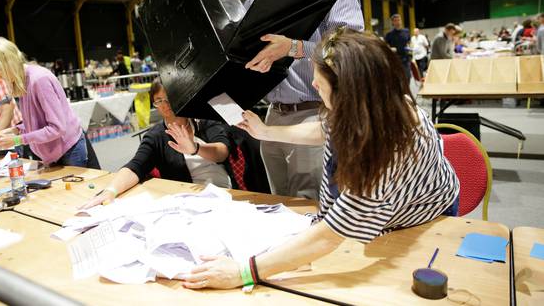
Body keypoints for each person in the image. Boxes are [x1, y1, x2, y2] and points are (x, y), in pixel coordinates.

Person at [180, 28, 459, 290]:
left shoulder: (388, 148)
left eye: (319, 81)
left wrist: (243, 272)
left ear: (348, 94)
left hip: (421, 220)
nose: (313, 83)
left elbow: (333, 233)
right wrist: (267, 131)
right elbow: (326, 129)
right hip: (379, 215)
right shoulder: (372, 103)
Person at [242, 0, 364, 199]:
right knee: (277, 201)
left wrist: (294, 47)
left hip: (314, 114)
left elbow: (349, 52)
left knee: (309, 205)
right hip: (272, 116)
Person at [79, 78, 233, 209]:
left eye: (169, 98)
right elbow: (136, 166)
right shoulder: (156, 136)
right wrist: (111, 190)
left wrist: (195, 148)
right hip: (189, 200)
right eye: (159, 101)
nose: (165, 105)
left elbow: (222, 152)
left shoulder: (203, 120)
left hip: (224, 192)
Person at [0, 37, 99, 167]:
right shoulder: (22, 81)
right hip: (51, 151)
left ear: (9, 62)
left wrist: (17, 140)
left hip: (67, 149)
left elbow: (57, 128)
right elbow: (38, 122)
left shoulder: (39, 80)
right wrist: (16, 130)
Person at [385, 13, 412, 80]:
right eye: (395, 20)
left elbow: (409, 42)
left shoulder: (406, 31)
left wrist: (410, 48)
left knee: (407, 78)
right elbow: (385, 47)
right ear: (393, 23)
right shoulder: (389, 34)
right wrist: (390, 49)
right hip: (395, 61)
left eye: (399, 20)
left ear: (401, 21)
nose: (398, 22)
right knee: (397, 80)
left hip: (406, 60)